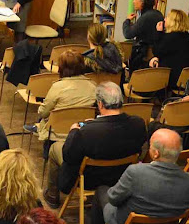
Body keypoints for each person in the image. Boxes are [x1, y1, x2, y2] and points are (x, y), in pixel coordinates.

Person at [88, 129, 189, 224]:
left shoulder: (136, 172)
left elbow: (114, 199)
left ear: (156, 153)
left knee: (102, 190)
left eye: (150, 146)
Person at [45, 81, 147, 209]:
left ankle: (52, 196)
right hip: (122, 176)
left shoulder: (85, 132)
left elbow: (69, 156)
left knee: (55, 148)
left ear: (100, 104)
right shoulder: (138, 124)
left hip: (90, 179)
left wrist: (73, 132)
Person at [23, 51, 96, 159]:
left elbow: (43, 113)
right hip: (81, 131)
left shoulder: (57, 87)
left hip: (57, 133)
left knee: (44, 118)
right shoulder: (93, 86)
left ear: (62, 68)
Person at [148, 9, 189, 89]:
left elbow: (156, 51)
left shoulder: (170, 38)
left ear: (172, 22)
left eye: (167, 17)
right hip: (188, 79)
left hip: (173, 79)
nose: (164, 19)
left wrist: (158, 32)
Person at [122, 0, 164, 70]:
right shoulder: (158, 14)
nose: (133, 2)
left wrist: (127, 21)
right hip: (155, 54)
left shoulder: (145, 18)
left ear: (142, 3)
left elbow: (128, 34)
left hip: (144, 57)